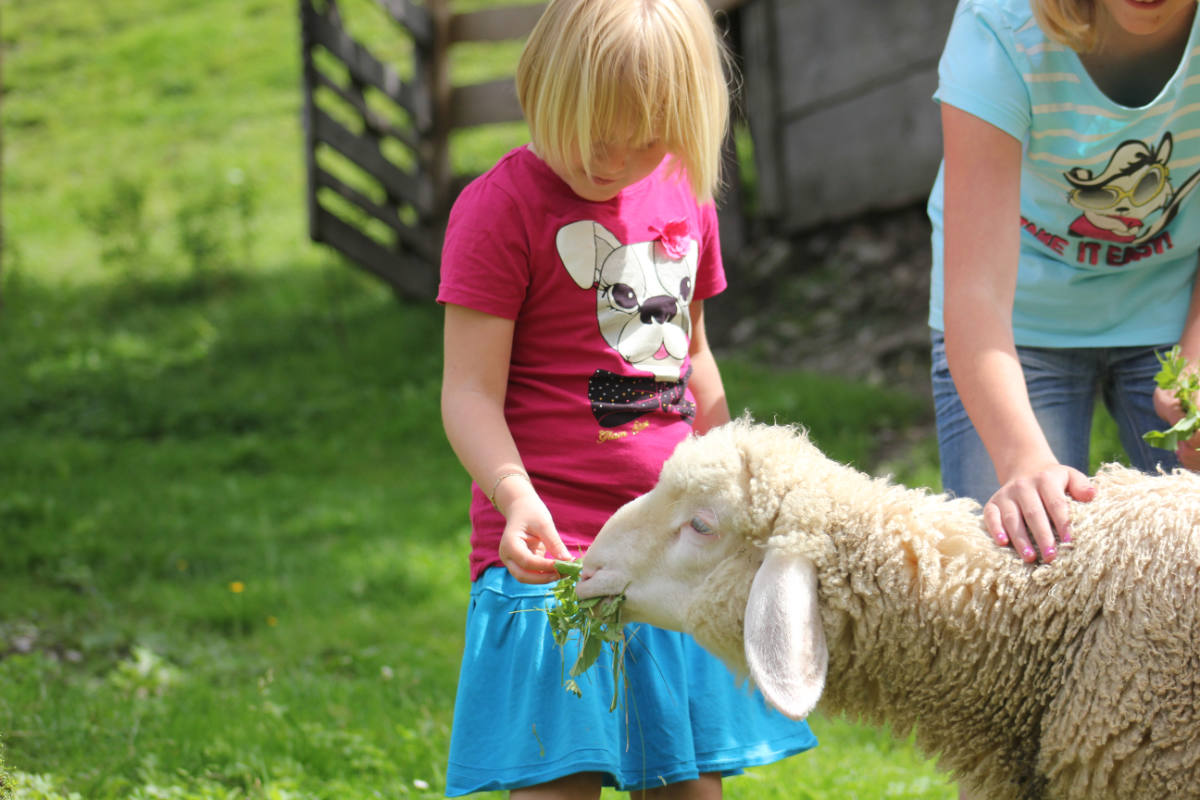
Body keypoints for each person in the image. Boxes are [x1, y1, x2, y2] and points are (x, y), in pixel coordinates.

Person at [437, 0, 818, 797]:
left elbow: (695, 356)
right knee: (556, 778)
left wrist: (735, 488)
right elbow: (469, 392)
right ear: (543, 84)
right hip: (554, 551)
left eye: (644, 136)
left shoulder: (685, 197)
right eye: (594, 131)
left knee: (688, 784)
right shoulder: (501, 210)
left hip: (671, 547)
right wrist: (513, 497)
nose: (613, 158)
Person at [928, 0, 1200, 577]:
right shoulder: (999, 25)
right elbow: (975, 290)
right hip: (1013, 325)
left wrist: (1195, 370)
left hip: (1174, 304)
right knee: (1009, 585)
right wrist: (1022, 459)